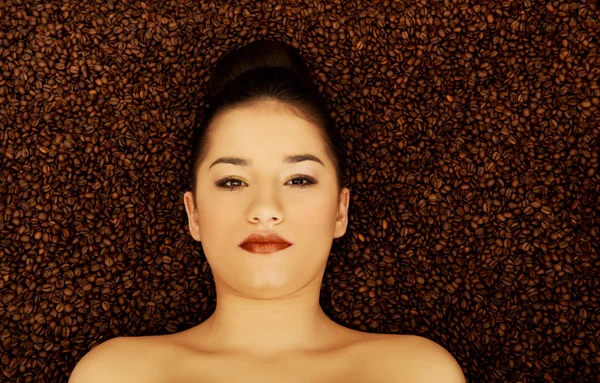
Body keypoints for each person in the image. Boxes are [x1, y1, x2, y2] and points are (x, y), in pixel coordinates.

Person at [69, 39, 466, 382]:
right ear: (193, 214)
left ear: (341, 211)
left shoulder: (414, 372)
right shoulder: (116, 373)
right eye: (232, 182)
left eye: (298, 180)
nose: (264, 209)